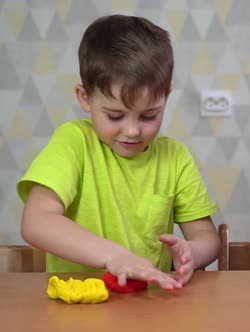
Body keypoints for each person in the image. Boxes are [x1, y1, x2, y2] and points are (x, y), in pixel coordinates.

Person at [17, 14, 220, 290]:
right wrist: (115, 256)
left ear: (166, 97)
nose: (133, 131)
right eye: (115, 116)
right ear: (85, 97)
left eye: (149, 116)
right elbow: (36, 222)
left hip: (151, 307)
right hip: (77, 306)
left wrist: (191, 253)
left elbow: (207, 237)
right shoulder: (73, 142)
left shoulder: (175, 157)